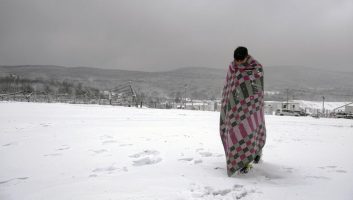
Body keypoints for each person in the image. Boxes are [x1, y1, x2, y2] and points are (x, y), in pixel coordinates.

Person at [219, 46, 266, 176]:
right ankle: (238, 160)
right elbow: (228, 87)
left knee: (251, 130)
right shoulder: (232, 68)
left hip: (251, 107)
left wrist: (250, 102)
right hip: (234, 108)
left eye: (241, 60)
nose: (238, 63)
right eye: (236, 60)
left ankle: (253, 156)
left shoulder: (256, 68)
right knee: (235, 133)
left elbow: (257, 89)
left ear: (246, 56)